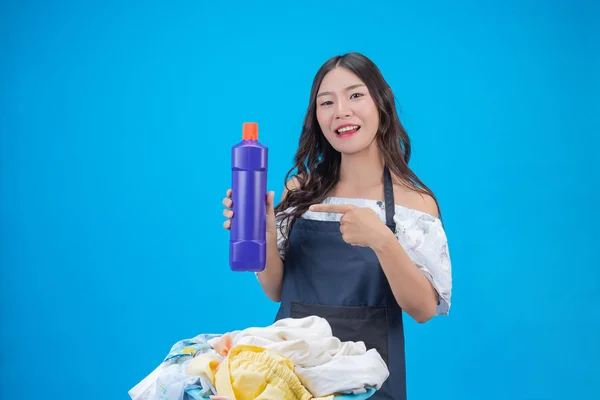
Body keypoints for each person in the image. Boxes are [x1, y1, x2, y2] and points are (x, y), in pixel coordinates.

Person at [222, 52, 452, 400]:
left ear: (381, 103)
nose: (341, 110)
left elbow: (423, 310)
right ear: (317, 118)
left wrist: (382, 240)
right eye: (326, 102)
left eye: (355, 95)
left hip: (369, 387)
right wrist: (265, 232)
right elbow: (276, 290)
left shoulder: (415, 204)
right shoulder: (299, 191)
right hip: (291, 380)